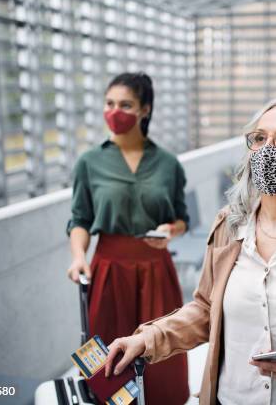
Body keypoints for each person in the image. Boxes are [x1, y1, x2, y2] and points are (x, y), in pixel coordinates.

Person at [103, 98, 276, 404]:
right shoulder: (228, 227)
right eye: (260, 138)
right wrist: (148, 338)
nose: (269, 149)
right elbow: (205, 310)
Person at [65, 72, 190, 404]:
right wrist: (79, 256)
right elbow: (80, 220)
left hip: (156, 269)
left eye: (125, 105)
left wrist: (170, 231)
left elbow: (181, 219)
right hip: (108, 269)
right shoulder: (89, 163)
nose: (114, 111)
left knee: (161, 353)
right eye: (109, 103)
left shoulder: (168, 164)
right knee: (107, 357)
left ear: (144, 110)